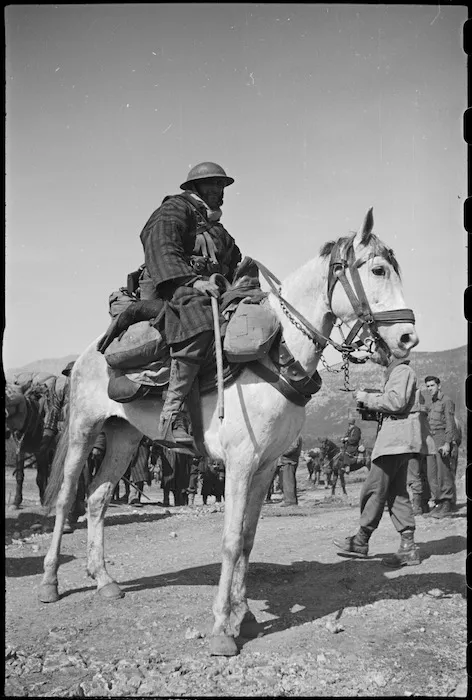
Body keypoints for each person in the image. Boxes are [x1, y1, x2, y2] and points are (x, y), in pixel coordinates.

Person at [139, 161, 242, 446]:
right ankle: (172, 414)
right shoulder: (174, 209)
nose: (218, 191)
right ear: (194, 187)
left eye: (221, 185)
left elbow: (235, 260)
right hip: (176, 288)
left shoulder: (216, 228)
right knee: (200, 319)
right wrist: (193, 281)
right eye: (212, 184)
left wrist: (245, 281)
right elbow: (161, 247)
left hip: (210, 290)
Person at [333, 355, 435, 568]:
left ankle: (361, 541)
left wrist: (368, 398)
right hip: (399, 440)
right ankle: (408, 547)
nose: (373, 355)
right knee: (396, 492)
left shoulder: (401, 371)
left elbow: (396, 402)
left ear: (389, 352)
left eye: (377, 349)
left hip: (396, 440)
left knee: (373, 489)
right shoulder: (398, 372)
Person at [423, 376, 458, 517]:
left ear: (439, 386)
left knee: (444, 472)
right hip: (431, 439)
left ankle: (447, 503)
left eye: (432, 385)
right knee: (432, 474)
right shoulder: (431, 403)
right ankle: (438, 502)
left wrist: (447, 443)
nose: (430, 388)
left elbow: (450, 424)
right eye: (428, 386)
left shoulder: (446, 401)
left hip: (442, 436)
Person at [127, 436, 153, 505]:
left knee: (140, 479)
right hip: (135, 454)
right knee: (135, 479)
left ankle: (137, 498)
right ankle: (133, 498)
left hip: (143, 456)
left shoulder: (146, 442)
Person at [277, 435, 303, 507]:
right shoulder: (295, 434)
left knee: (288, 482)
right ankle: (289, 500)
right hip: (288, 461)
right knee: (287, 482)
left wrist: (282, 452)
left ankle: (290, 501)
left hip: (289, 461)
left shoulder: (295, 435)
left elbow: (293, 447)